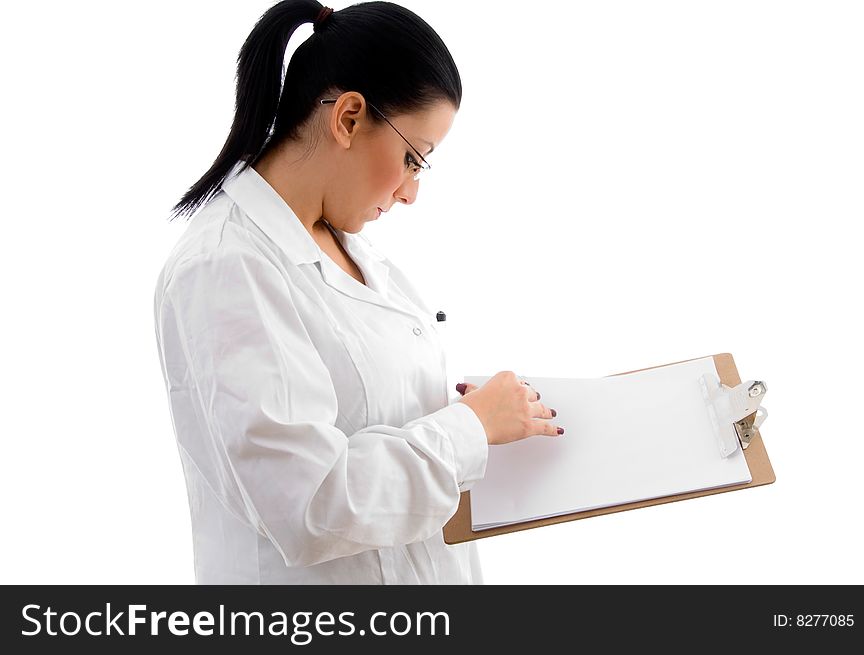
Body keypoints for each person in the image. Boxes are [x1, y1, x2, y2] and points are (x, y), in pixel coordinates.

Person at [153, 0, 563, 585]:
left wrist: (484, 424)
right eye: (413, 159)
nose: (410, 193)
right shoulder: (226, 267)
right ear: (347, 117)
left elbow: (382, 434)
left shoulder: (351, 250)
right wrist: (469, 428)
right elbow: (310, 505)